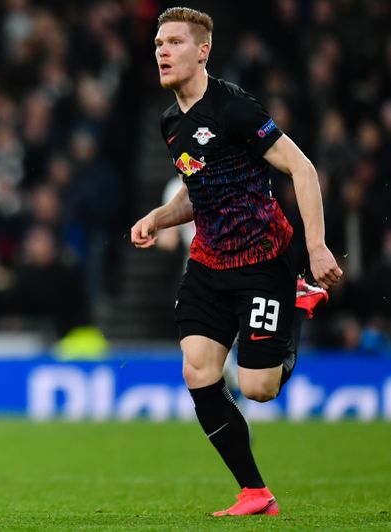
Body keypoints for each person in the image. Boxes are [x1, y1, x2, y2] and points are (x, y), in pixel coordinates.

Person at [130, 8, 341, 517]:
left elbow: (302, 168)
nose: (162, 51)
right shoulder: (170, 123)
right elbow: (196, 191)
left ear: (203, 51)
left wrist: (316, 247)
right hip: (207, 263)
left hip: (264, 259)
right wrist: (159, 218)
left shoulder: (235, 108)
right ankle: (254, 492)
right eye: (159, 42)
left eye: (175, 42)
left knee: (257, 388)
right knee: (197, 369)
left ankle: (293, 297)